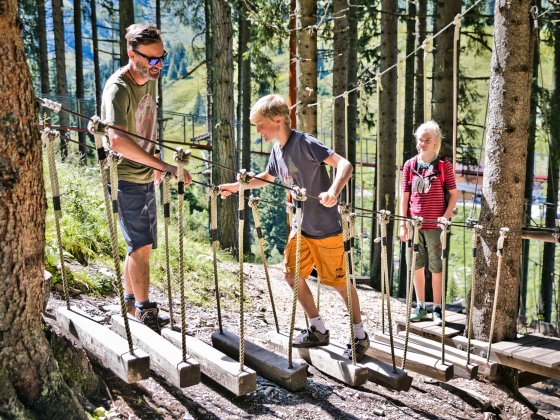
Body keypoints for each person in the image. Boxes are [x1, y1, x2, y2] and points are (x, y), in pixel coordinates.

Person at [219, 94, 370, 360]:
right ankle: (317, 329)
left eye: (261, 125)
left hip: (326, 229)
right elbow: (267, 177)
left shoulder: (304, 143)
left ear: (278, 120)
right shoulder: (277, 149)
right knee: (292, 275)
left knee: (338, 283)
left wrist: (334, 190)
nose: (259, 131)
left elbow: (344, 164)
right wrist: (237, 186)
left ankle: (359, 334)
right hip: (300, 228)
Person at [100, 23, 192, 334]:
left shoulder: (148, 77)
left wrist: (154, 163)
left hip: (143, 173)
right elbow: (118, 141)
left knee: (142, 245)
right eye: (151, 59)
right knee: (140, 245)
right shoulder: (119, 89)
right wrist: (164, 165)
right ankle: (145, 309)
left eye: (161, 57)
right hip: (125, 176)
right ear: (131, 55)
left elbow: (145, 126)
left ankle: (129, 301)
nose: (158, 65)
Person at [400, 121, 458, 325]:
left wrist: (446, 216)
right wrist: (402, 223)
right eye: (420, 140)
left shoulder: (443, 165)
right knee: (416, 265)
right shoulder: (410, 165)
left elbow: (453, 194)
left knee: (436, 266)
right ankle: (421, 306)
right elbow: (405, 196)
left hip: (435, 226)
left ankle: (437, 308)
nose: (423, 143)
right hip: (414, 225)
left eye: (427, 140)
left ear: (436, 142)